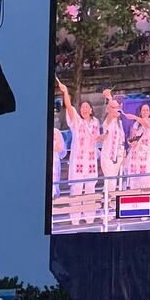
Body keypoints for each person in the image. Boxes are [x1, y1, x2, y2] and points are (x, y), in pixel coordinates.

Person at [57, 78, 102, 224]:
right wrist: (65, 93)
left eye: (87, 107)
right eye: (82, 107)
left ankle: (89, 217)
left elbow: (97, 138)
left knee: (90, 188)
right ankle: (75, 218)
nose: (84, 109)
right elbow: (69, 107)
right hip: (77, 161)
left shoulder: (96, 122)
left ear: (91, 110)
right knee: (76, 189)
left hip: (90, 162)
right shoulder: (76, 121)